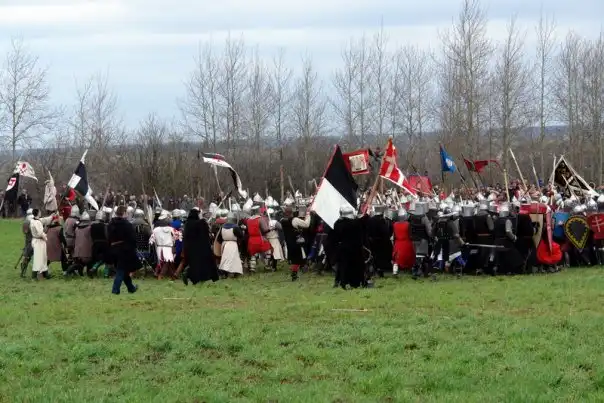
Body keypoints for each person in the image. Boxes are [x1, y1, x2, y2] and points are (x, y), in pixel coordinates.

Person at [177, 208, 219, 285]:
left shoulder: (187, 223)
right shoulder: (200, 223)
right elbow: (205, 233)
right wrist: (203, 222)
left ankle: (192, 277)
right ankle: (194, 276)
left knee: (194, 265)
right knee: (202, 264)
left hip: (190, 248)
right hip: (200, 247)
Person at [107, 205, 140, 294]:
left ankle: (131, 288)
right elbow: (132, 239)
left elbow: (108, 237)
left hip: (114, 249)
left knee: (124, 270)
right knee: (121, 270)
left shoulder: (111, 223)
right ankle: (115, 290)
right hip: (124, 250)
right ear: (124, 213)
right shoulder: (127, 224)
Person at [217, 212, 244, 277]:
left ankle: (226, 272)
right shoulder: (235, 227)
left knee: (225, 259)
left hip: (224, 244)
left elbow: (219, 238)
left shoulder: (222, 227)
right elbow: (241, 235)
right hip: (232, 244)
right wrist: (242, 230)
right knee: (233, 259)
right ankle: (233, 272)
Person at [29, 209, 55, 280]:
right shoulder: (37, 222)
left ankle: (46, 274)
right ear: (38, 213)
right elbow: (40, 233)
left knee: (43, 258)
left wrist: (51, 216)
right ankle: (34, 276)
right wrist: (45, 237)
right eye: (40, 212)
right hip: (39, 242)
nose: (40, 213)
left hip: (38, 241)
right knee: (38, 259)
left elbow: (44, 220)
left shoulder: (34, 220)